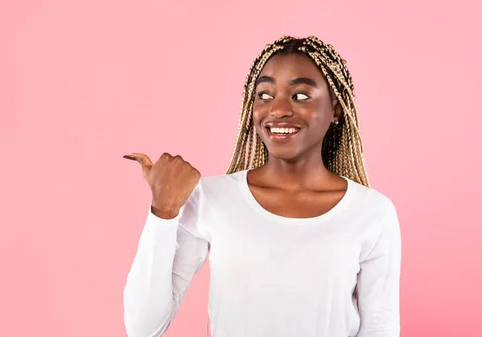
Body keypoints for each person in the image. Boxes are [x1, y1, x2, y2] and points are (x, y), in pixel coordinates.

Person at [122, 35, 402, 337]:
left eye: (301, 96)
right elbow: (143, 327)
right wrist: (163, 212)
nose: (278, 109)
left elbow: (379, 329)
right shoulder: (211, 198)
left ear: (335, 108)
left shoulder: (372, 212)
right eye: (265, 95)